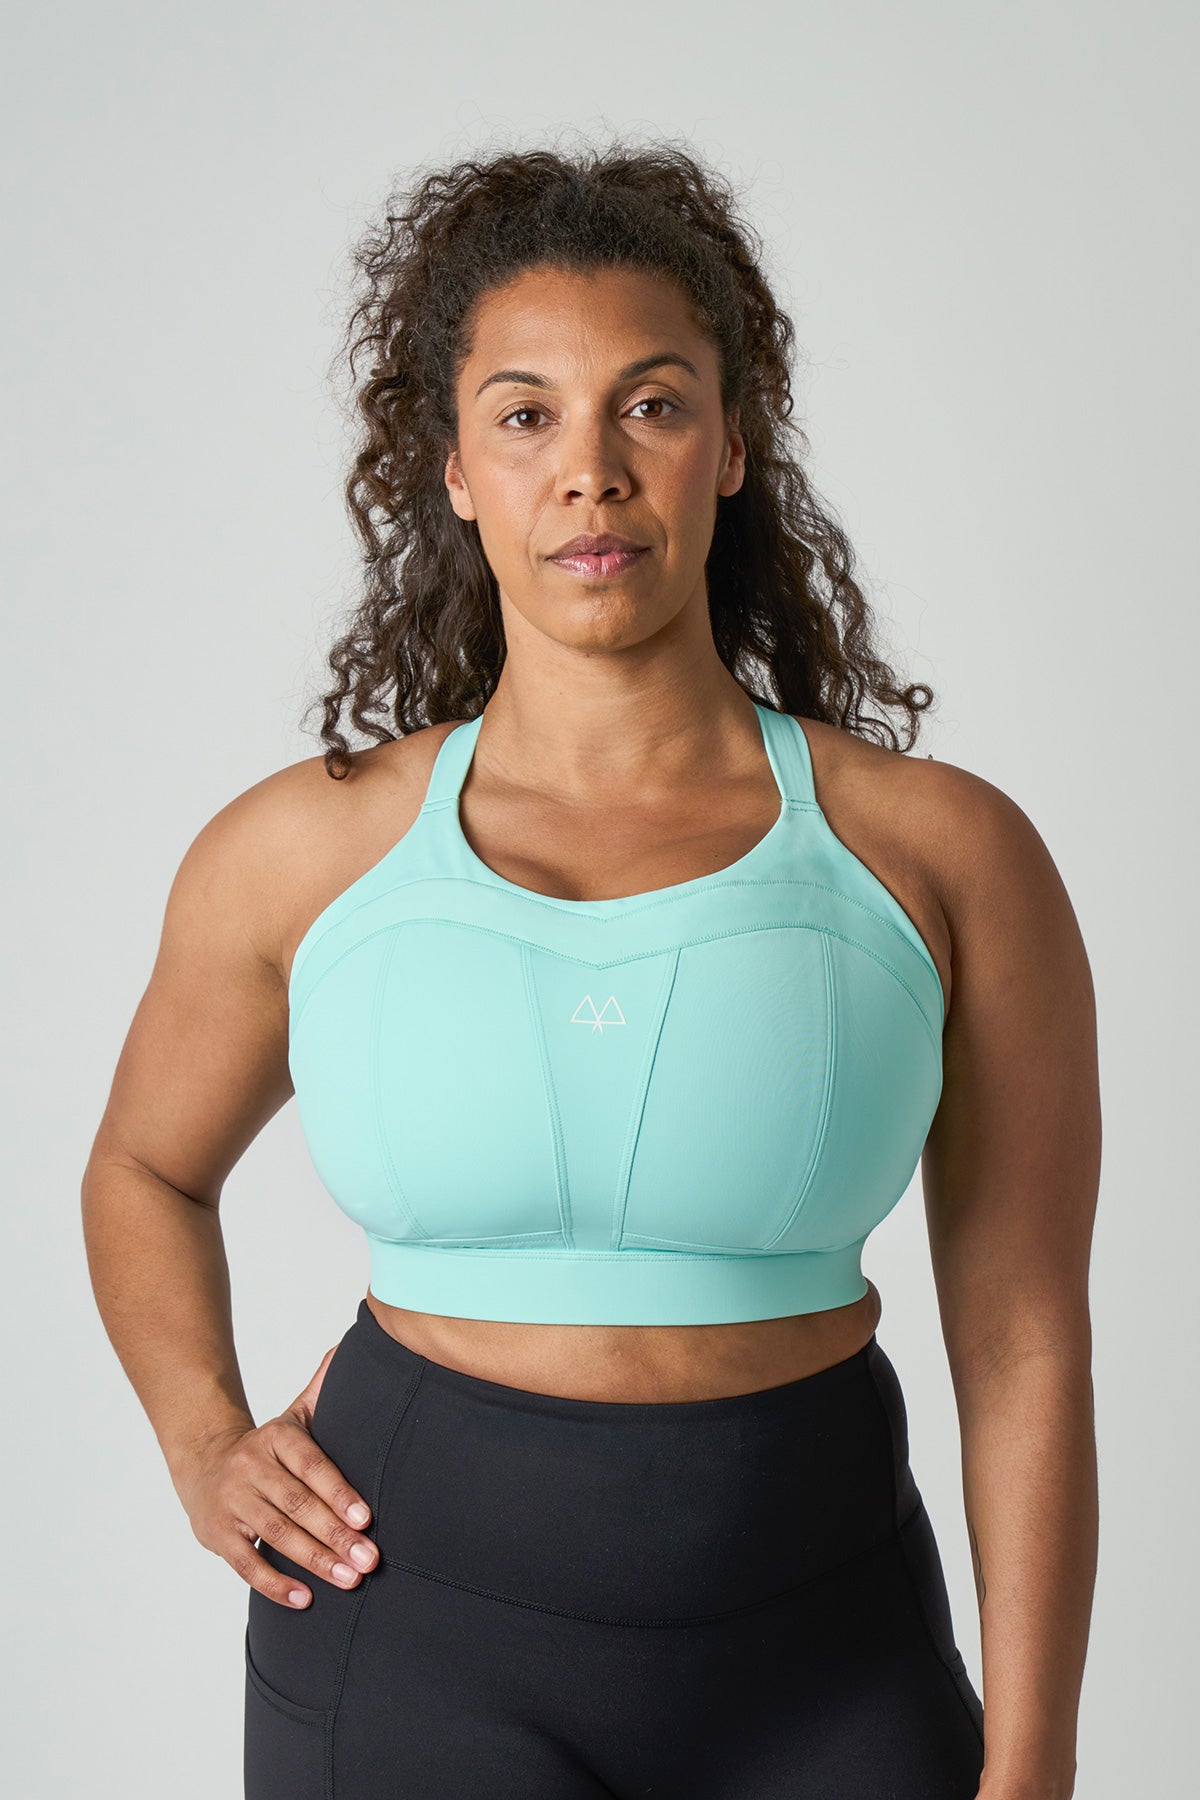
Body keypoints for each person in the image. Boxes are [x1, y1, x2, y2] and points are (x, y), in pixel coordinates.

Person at [81, 138, 1099, 1800]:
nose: (592, 472)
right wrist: (204, 1440)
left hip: (829, 1667)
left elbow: (1026, 1336)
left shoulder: (943, 854)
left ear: (734, 444)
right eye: (526, 415)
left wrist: (1035, 1756)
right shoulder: (299, 854)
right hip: (409, 1655)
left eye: (653, 404)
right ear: (453, 468)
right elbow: (142, 1169)